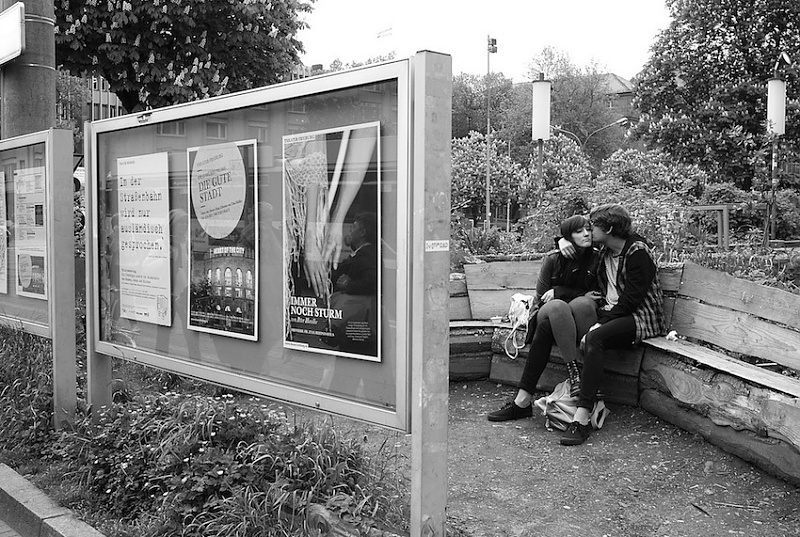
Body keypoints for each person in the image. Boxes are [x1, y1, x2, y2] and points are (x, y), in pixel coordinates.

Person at [558, 203, 665, 446]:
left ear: (608, 229)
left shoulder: (638, 252)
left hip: (641, 317)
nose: (589, 231)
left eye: (593, 226)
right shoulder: (606, 250)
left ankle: (582, 419)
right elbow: (576, 243)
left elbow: (630, 301)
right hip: (613, 313)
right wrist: (562, 241)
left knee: (594, 338)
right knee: (553, 323)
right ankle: (523, 399)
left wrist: (600, 324)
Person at [487, 215, 600, 422]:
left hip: (575, 322)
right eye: (578, 231)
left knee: (573, 310)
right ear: (568, 236)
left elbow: (595, 295)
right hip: (549, 311)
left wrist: (561, 291)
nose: (586, 234)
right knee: (557, 307)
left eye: (588, 229)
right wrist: (561, 293)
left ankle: (522, 402)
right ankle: (575, 374)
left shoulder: (597, 257)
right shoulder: (553, 259)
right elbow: (541, 297)